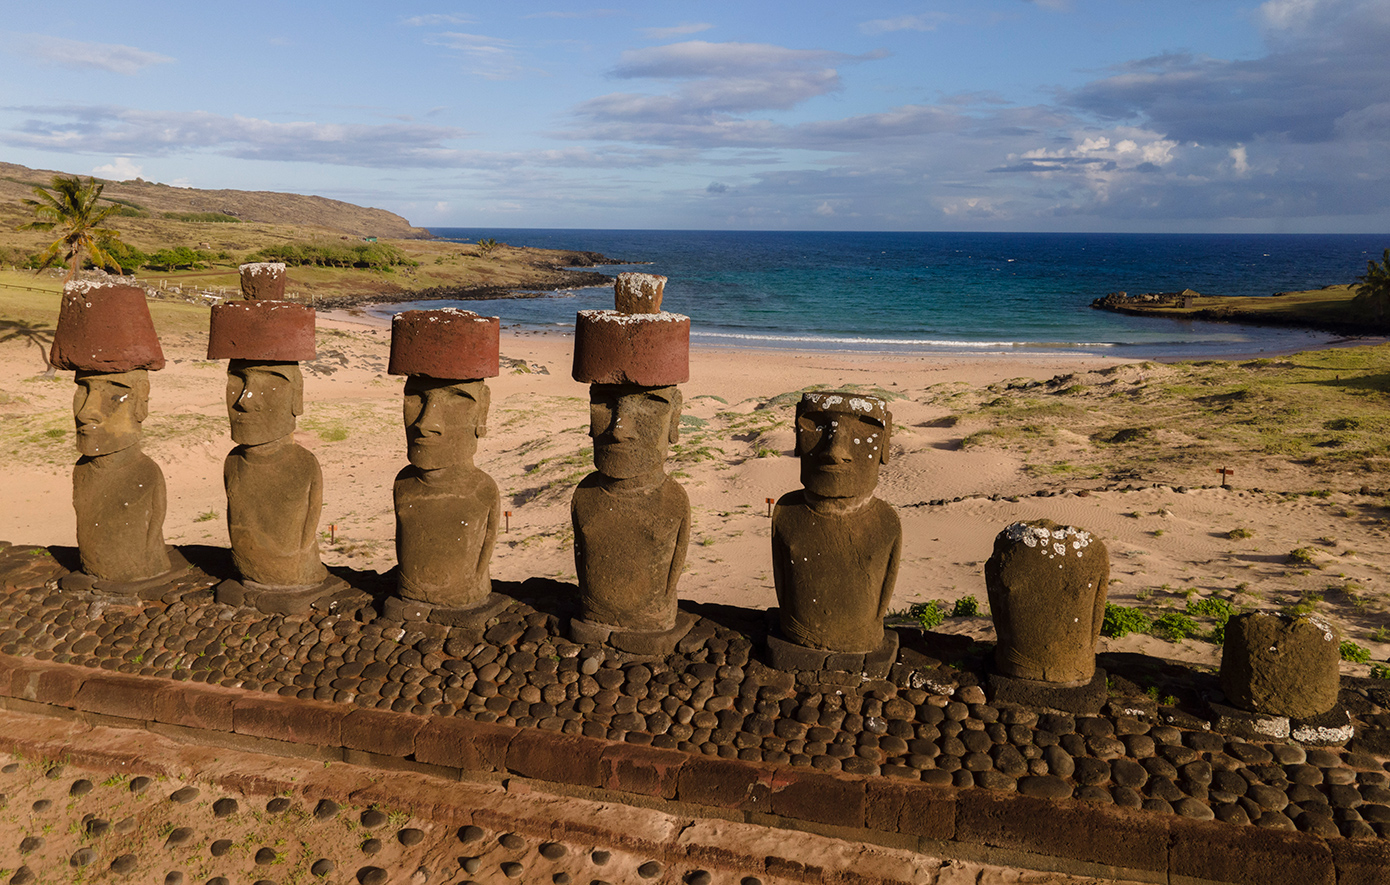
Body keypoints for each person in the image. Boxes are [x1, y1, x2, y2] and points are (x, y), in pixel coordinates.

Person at [772, 391, 901, 653]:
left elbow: (882, 596)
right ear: (797, 435)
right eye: (816, 425)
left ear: (884, 442)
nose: (835, 451)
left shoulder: (886, 521)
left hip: (863, 640)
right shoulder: (786, 511)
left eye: (866, 429)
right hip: (797, 634)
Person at [571, 383, 690, 633]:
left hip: (651, 620)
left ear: (675, 416)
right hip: (593, 615)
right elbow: (581, 561)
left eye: (650, 403)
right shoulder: (585, 494)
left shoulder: (672, 499)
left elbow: (673, 573)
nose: (619, 430)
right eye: (604, 402)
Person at [394, 376, 500, 609]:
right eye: (415, 397)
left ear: (483, 411)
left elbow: (487, 545)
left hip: (464, 594)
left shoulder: (483, 488)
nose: (425, 423)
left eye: (458, 399)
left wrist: (470, 587)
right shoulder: (403, 482)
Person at [223, 360, 328, 588]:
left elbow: (308, 531)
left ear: (297, 397)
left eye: (271, 382)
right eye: (238, 380)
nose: (245, 401)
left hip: (296, 572)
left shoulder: (304, 464)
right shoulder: (233, 461)